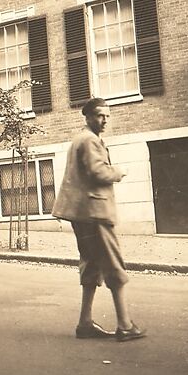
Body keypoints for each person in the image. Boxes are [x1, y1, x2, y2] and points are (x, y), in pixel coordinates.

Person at [52, 97, 146, 342]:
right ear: (88, 117)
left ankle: (85, 323)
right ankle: (125, 325)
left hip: (82, 213)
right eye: (99, 116)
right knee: (114, 265)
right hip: (96, 213)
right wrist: (119, 171)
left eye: (107, 116)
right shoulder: (91, 140)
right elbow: (98, 172)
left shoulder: (79, 139)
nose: (104, 120)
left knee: (91, 265)